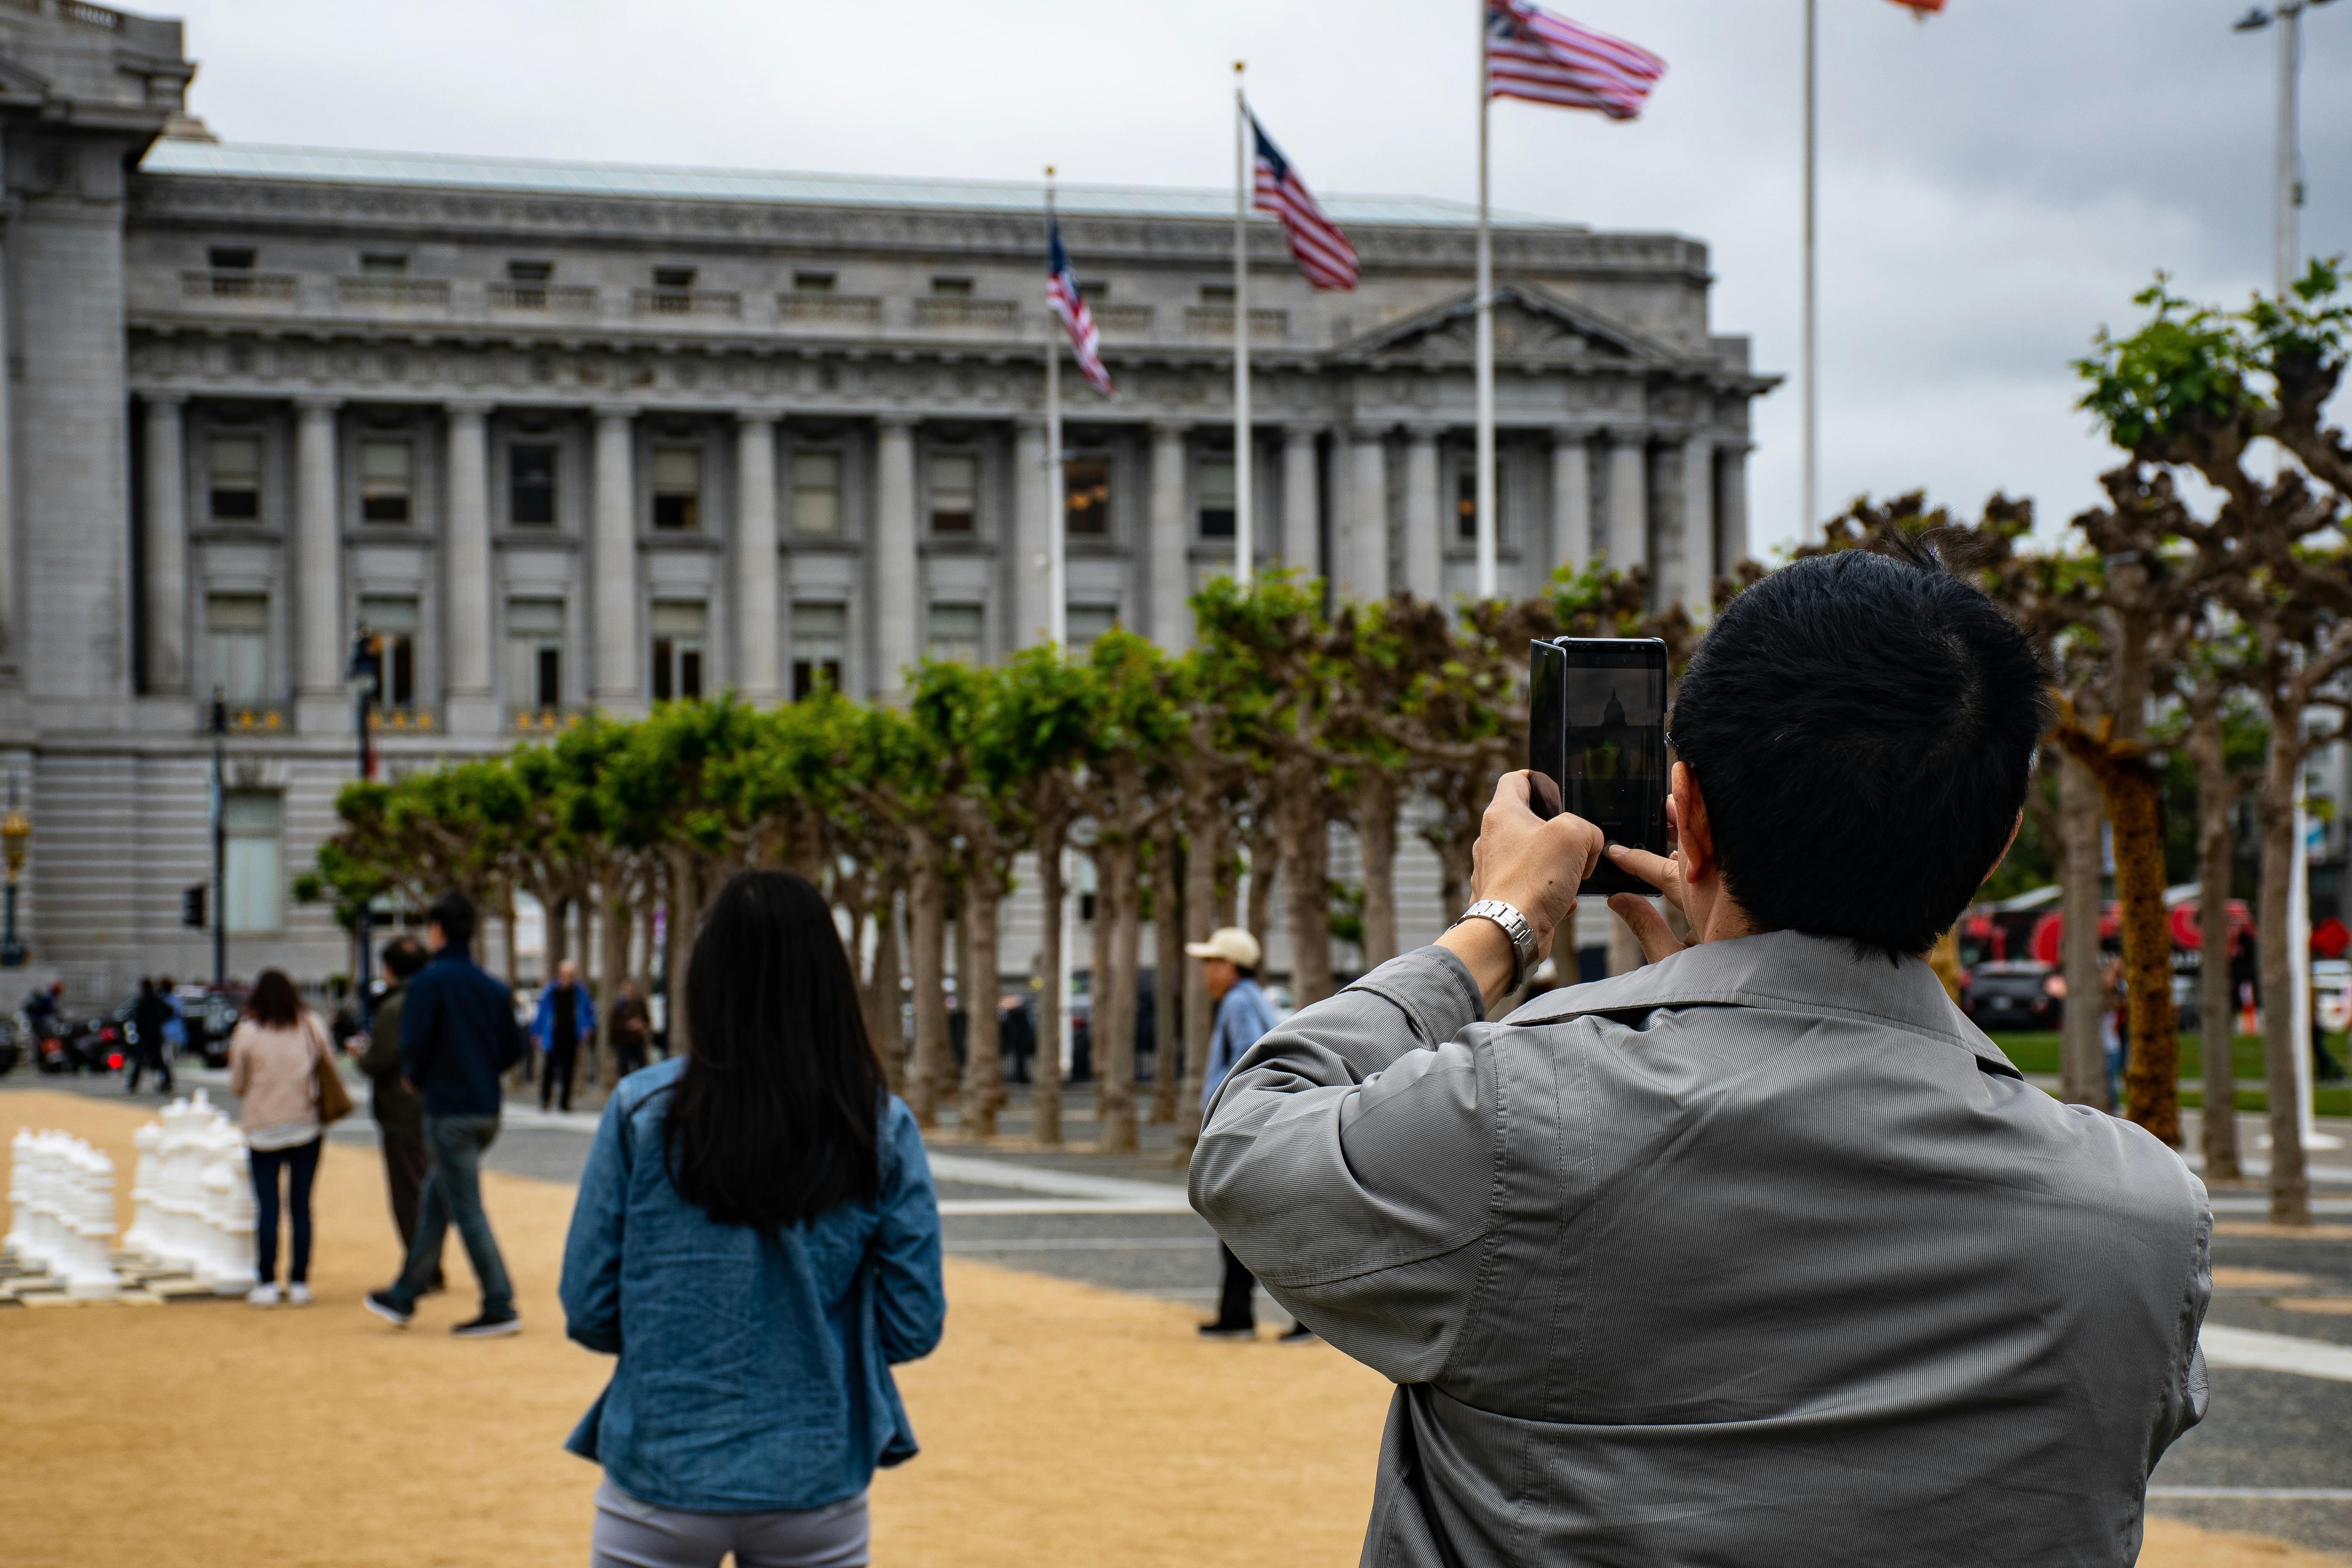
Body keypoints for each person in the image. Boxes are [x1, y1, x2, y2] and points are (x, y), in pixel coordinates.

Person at [1191, 545, 2210, 1567]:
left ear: (1684, 812)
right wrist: (1724, 978)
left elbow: (1247, 1142)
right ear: (1995, 847)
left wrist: (1503, 921)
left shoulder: (1518, 1114)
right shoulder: (2143, 1219)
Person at [561, 870, 944, 1568]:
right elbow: (915, 1322)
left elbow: (587, 1306)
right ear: (830, 980)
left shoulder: (639, 1112)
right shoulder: (879, 1123)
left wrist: (667, 1338)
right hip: (813, 1471)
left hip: (661, 1462)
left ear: (706, 978)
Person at [365, 892, 530, 1337]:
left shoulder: (429, 984)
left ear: (436, 931)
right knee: (436, 1200)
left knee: (465, 1209)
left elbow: (414, 1043)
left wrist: (416, 1077)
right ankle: (405, 1292)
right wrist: (481, 1069)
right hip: (485, 1108)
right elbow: (514, 1048)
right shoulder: (493, 988)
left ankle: (500, 1302)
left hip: (448, 1108)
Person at [1185, 927, 1307, 1345]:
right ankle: (1237, 1313)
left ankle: (1249, 1316)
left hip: (1243, 1128)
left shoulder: (1237, 1002)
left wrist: (1228, 1118)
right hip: (1257, 1125)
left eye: (1211, 963)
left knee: (1249, 1222)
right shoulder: (1252, 998)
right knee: (1249, 1222)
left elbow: (1246, 1060)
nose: (1205, 972)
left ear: (1229, 966)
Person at [227, 969, 332, 1308]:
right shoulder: (310, 1025)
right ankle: (300, 1282)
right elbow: (328, 1065)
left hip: (262, 1130)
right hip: (305, 1126)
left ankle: (267, 1282)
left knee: (268, 1208)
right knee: (301, 1207)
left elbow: (237, 1084)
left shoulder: (248, 1032)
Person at [352, 936, 442, 1293]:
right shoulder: (436, 998)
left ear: (389, 969)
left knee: (408, 1192)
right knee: (430, 1187)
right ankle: (429, 1264)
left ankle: (422, 1269)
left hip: (401, 1108)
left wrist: (361, 1055)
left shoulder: (394, 1008)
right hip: (437, 1105)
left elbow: (379, 1060)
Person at [533, 959, 598, 1114]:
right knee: (550, 1068)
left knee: (569, 1069)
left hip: (571, 1036)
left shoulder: (580, 992)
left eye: (571, 975)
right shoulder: (551, 991)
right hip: (553, 1036)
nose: (568, 978)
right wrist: (536, 1033)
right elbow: (541, 1014)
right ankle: (545, 1099)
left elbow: (589, 1013)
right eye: (566, 974)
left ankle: (565, 1102)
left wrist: (588, 1028)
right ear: (560, 974)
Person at [126, 976, 175, 1095]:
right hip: (155, 1035)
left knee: (139, 1060)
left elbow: (134, 1016)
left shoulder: (142, 1001)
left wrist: (140, 1026)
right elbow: (170, 1011)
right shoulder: (155, 1000)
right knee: (159, 1061)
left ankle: (133, 1084)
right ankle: (167, 1083)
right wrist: (159, 1020)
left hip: (145, 1036)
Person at [607, 979, 653, 1079]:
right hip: (623, 1043)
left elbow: (647, 1020)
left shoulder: (639, 1004)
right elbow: (613, 1026)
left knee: (642, 1069)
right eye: (626, 990)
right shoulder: (618, 1006)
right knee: (624, 1070)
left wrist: (641, 1025)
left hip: (638, 1041)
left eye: (631, 990)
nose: (629, 992)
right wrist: (628, 1026)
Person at [999, 992, 1036, 1086]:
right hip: (1017, 1040)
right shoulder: (1014, 1015)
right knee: (1016, 1060)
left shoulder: (1016, 1014)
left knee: (1020, 1060)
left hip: (1019, 1040)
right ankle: (1019, 1076)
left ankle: (1021, 1076)